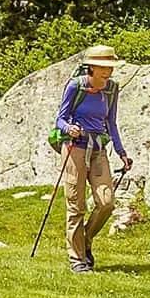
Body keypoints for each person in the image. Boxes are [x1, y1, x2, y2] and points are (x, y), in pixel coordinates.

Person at [53, 45, 130, 273]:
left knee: (106, 203)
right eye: (103, 68)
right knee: (76, 206)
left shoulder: (112, 89)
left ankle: (85, 239)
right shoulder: (76, 86)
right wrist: (69, 128)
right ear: (91, 67)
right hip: (75, 147)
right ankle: (77, 258)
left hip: (98, 149)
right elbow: (60, 119)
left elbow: (111, 123)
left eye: (110, 67)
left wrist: (121, 152)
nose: (108, 72)